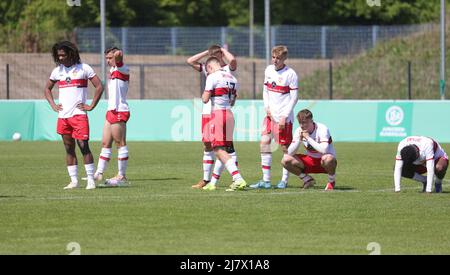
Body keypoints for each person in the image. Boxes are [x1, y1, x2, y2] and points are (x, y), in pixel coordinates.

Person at [44, 41, 103, 190]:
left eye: (63, 54)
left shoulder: (84, 68)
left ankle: (90, 180)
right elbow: (47, 89)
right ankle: (74, 181)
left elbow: (99, 86)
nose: (61, 57)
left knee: (83, 145)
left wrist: (91, 105)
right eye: (59, 55)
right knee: (68, 148)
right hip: (63, 116)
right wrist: (53, 105)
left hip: (79, 115)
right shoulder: (57, 71)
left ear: (71, 53)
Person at [187, 45, 238, 189]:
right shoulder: (207, 68)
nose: (214, 55)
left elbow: (233, 60)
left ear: (222, 54)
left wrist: (223, 50)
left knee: (224, 146)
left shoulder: (227, 70)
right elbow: (190, 60)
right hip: (208, 111)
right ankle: (207, 180)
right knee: (208, 145)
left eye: (216, 54)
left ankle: (235, 177)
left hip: (220, 111)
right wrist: (206, 52)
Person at [250, 45, 298, 189]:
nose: (275, 60)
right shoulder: (268, 70)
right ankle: (266, 181)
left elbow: (294, 98)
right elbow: (265, 90)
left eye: (278, 58)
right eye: (273, 57)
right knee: (264, 142)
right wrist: (267, 107)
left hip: (284, 118)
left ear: (284, 58)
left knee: (285, 148)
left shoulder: (291, 74)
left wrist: (284, 116)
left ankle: (284, 180)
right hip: (270, 116)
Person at [201, 57, 247, 191]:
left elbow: (205, 99)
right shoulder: (233, 78)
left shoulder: (212, 76)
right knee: (225, 150)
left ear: (209, 67)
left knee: (218, 150)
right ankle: (213, 183)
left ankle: (238, 178)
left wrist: (205, 94)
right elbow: (232, 102)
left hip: (218, 114)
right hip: (229, 114)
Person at [92, 47, 130, 186]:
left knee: (120, 143)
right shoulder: (113, 70)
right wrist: (113, 55)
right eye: (106, 58)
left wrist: (117, 53)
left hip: (119, 110)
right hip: (111, 110)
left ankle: (122, 176)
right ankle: (98, 173)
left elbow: (119, 55)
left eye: (110, 58)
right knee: (105, 143)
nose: (108, 61)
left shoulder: (122, 68)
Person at [281, 109, 337, 190]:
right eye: (300, 122)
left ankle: (331, 181)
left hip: (324, 163)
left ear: (311, 121)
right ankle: (307, 180)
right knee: (285, 159)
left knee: (328, 158)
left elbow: (324, 150)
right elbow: (289, 153)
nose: (302, 125)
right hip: (310, 161)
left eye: (305, 122)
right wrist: (299, 140)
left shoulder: (322, 129)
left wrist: (308, 138)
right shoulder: (299, 130)